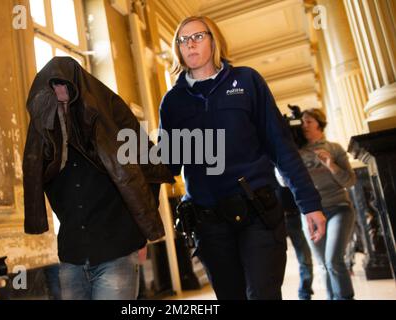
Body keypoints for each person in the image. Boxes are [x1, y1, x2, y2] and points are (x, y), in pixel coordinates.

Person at [158, 16, 326, 300]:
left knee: (263, 293)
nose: (190, 44)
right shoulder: (173, 102)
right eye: (183, 40)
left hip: (257, 213)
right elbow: (169, 164)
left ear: (214, 40)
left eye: (198, 36)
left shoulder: (246, 80)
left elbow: (281, 147)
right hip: (209, 222)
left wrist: (309, 204)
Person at [23, 57, 174, 300]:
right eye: (54, 86)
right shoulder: (46, 137)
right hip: (72, 254)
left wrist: (141, 232)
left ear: (77, 84)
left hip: (117, 249)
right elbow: (35, 177)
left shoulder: (111, 116)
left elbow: (150, 171)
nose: (60, 91)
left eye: (64, 84)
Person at [300, 108, 356, 300]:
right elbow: (284, 182)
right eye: (302, 122)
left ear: (319, 123)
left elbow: (349, 181)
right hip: (310, 214)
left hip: (339, 209)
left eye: (308, 121)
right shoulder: (297, 153)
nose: (304, 125)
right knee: (323, 263)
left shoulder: (334, 148)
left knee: (333, 260)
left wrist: (331, 164)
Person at [276, 184, 314, 300]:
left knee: (305, 258)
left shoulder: (290, 168)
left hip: (296, 216)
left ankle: (304, 292)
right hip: (275, 220)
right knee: (273, 263)